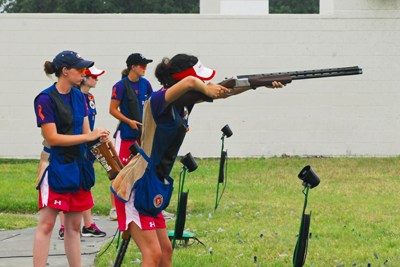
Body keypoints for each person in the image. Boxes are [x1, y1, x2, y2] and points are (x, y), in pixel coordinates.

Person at [110, 54, 285, 267]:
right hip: (136, 185)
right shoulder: (158, 100)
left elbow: (224, 92)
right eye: (199, 79)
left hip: (153, 183)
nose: (203, 82)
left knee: (165, 251)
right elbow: (192, 82)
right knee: (153, 254)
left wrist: (256, 85)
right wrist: (205, 87)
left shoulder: (184, 102)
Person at [33, 51, 110, 267]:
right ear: (65, 71)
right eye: (80, 69)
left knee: (74, 227)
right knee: (47, 225)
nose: (85, 72)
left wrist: (100, 141)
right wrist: (90, 135)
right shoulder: (45, 99)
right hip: (56, 165)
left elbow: (86, 133)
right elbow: (53, 138)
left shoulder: (80, 96)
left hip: (79, 167)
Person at [58, 66, 107, 239]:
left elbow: (89, 126)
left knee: (85, 184)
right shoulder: (70, 96)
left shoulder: (88, 97)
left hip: (86, 146)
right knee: (68, 186)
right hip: (71, 150)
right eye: (93, 76)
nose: (96, 80)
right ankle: (64, 226)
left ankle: (87, 225)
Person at [108, 53, 155, 221]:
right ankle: (114, 208)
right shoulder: (120, 86)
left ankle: (143, 205)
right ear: (133, 67)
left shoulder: (146, 84)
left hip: (142, 136)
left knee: (143, 169)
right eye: (142, 65)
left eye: (145, 65)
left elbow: (152, 105)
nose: (145, 67)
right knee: (119, 171)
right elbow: (112, 110)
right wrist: (129, 121)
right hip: (126, 135)